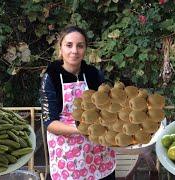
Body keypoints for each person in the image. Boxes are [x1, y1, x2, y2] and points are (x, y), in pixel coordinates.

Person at [40, 26, 116, 180]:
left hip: (98, 152)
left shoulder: (94, 74)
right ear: (60, 48)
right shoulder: (51, 77)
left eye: (80, 46)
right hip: (67, 157)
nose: (74, 51)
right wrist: (80, 129)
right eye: (69, 45)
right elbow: (50, 123)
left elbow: (107, 108)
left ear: (85, 49)